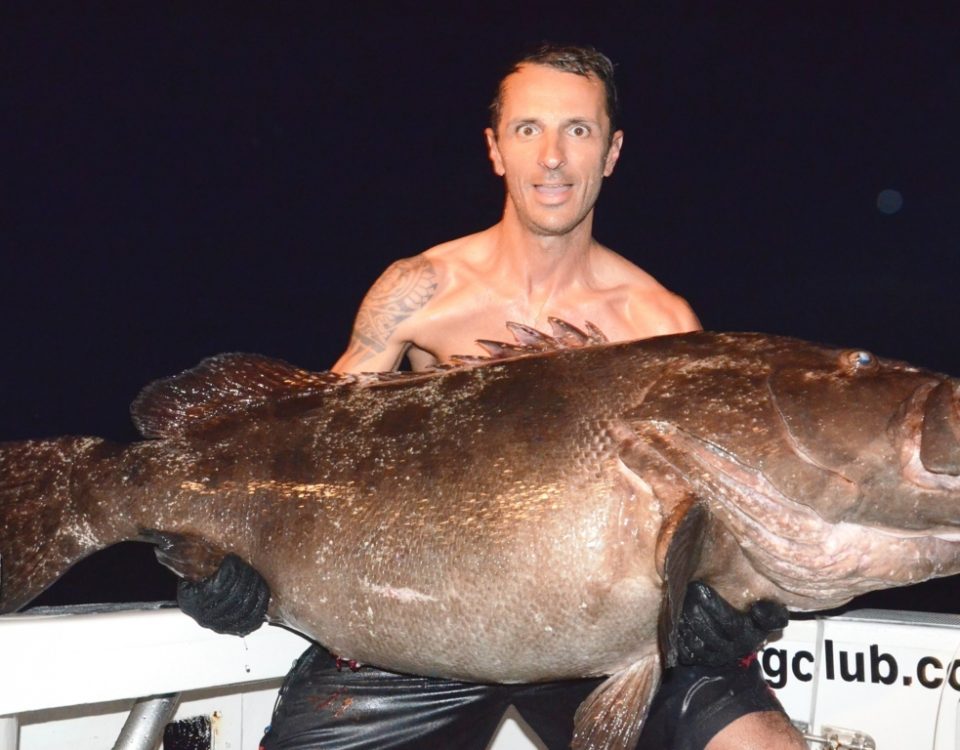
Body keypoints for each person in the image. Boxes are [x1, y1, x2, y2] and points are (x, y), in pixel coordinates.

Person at [178, 44, 806, 750]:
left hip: (592, 638)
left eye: (579, 130)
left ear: (612, 151)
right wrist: (222, 555)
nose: (553, 160)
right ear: (495, 148)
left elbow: (714, 513)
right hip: (420, 632)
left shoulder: (659, 325)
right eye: (529, 129)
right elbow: (315, 449)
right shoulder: (418, 291)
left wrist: (738, 604)